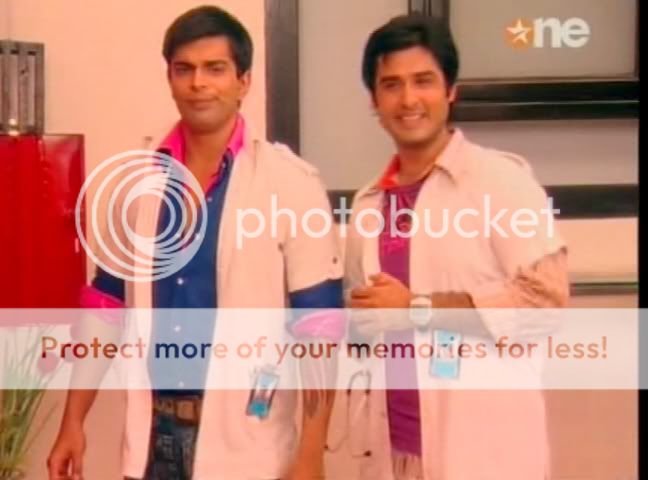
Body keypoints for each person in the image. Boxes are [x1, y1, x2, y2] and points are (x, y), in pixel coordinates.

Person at [48, 6, 343, 480]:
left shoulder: (291, 183)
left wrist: (311, 454)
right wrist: (72, 421)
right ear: (169, 79)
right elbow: (106, 306)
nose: (198, 83)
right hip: (153, 441)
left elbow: (321, 329)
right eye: (184, 69)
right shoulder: (138, 183)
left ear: (244, 82)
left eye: (215, 69)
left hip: (249, 448)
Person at [344, 13, 569, 480]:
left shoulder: (500, 180)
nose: (408, 99)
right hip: (392, 452)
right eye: (391, 85)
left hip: (484, 454)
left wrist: (417, 309)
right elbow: (366, 325)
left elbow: (544, 303)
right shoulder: (369, 204)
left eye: (423, 81)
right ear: (374, 100)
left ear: (450, 90)